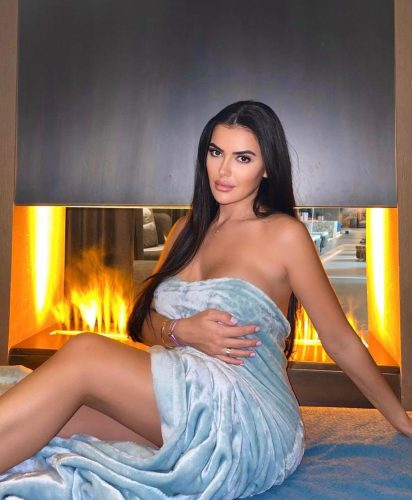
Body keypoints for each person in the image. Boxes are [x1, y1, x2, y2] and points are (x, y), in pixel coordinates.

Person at [0, 100, 411, 499]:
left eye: (243, 158)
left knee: (85, 352)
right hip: (182, 401)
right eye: (216, 152)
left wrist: (400, 418)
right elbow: (142, 325)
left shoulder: (284, 235)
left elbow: (339, 340)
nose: (224, 170)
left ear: (267, 167)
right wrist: (182, 331)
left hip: (244, 419)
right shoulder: (185, 230)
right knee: (51, 417)